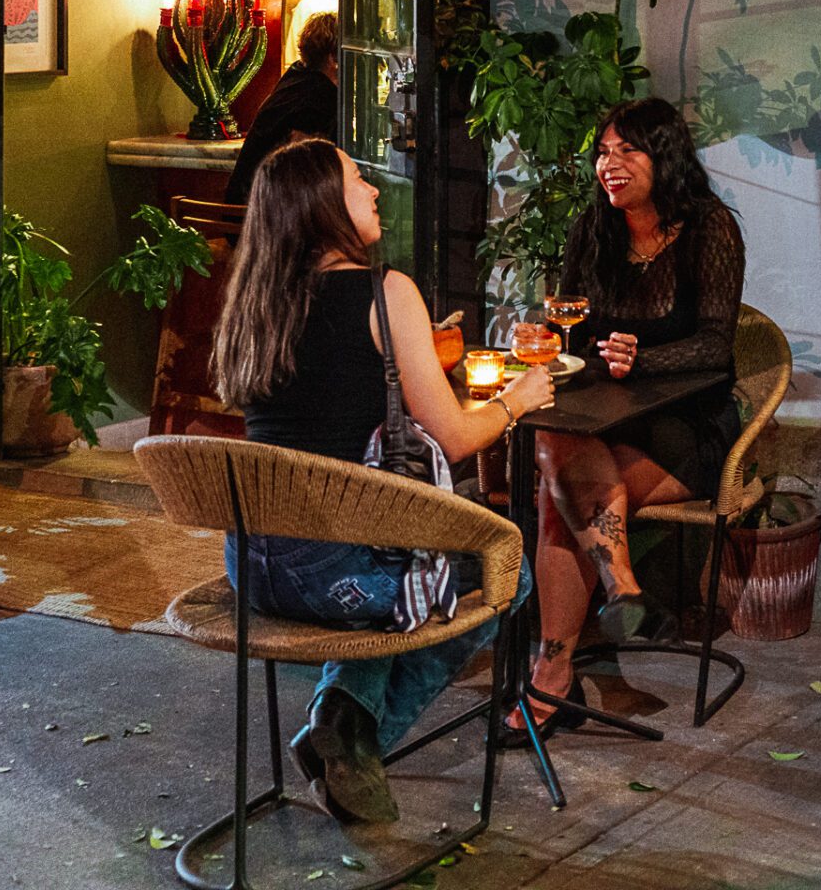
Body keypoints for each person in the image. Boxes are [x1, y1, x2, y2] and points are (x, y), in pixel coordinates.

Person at [211, 135, 552, 827]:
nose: (371, 189)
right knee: (506, 571)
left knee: (400, 559)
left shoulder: (253, 303)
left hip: (253, 566)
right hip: (338, 576)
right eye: (356, 178)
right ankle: (350, 739)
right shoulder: (384, 291)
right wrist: (519, 399)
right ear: (322, 205)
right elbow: (455, 438)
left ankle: (342, 714)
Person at [520, 97, 747, 737]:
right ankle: (622, 591)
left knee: (556, 501)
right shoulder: (592, 230)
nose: (608, 165)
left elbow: (716, 345)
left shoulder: (709, 229)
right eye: (602, 152)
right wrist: (541, 339)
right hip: (604, 422)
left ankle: (552, 676)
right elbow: (569, 329)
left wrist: (641, 360)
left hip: (690, 427)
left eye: (627, 151)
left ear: (664, 157)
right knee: (559, 460)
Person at [224, 12, 340, 202]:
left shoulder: (297, 76)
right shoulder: (319, 94)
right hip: (262, 213)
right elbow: (310, 168)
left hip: (244, 202)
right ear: (333, 58)